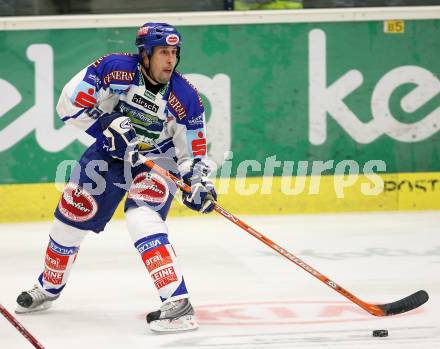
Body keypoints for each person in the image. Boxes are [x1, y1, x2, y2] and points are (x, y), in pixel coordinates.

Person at [15, 22, 217, 333]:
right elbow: (68, 104)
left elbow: (194, 152)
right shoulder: (114, 69)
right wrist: (106, 124)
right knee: (70, 216)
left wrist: (198, 183)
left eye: (175, 53)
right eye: (163, 52)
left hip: (159, 161)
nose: (170, 60)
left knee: (142, 217)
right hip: (108, 155)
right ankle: (49, 287)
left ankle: (178, 304)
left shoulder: (186, 97)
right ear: (145, 54)